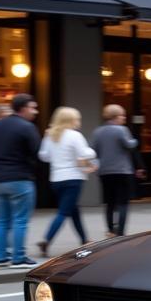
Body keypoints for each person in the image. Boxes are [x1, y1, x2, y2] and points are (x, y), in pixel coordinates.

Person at [0, 92, 39, 267]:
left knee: (2, 219)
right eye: (33, 108)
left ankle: (1, 257)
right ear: (23, 108)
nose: (35, 111)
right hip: (18, 178)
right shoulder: (27, 127)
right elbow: (35, 152)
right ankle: (19, 257)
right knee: (20, 220)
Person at [37, 107, 95, 256]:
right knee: (63, 212)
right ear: (70, 120)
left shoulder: (50, 135)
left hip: (56, 179)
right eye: (77, 119)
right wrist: (92, 152)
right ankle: (47, 240)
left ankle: (84, 239)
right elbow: (85, 153)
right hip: (73, 178)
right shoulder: (75, 135)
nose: (79, 122)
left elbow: (44, 156)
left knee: (74, 209)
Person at [91, 104, 142, 237]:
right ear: (115, 117)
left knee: (109, 202)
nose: (124, 118)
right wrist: (136, 140)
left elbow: (93, 150)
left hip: (105, 172)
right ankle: (120, 232)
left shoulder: (98, 131)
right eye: (122, 115)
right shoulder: (121, 130)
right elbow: (129, 145)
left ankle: (110, 229)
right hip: (122, 171)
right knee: (123, 203)